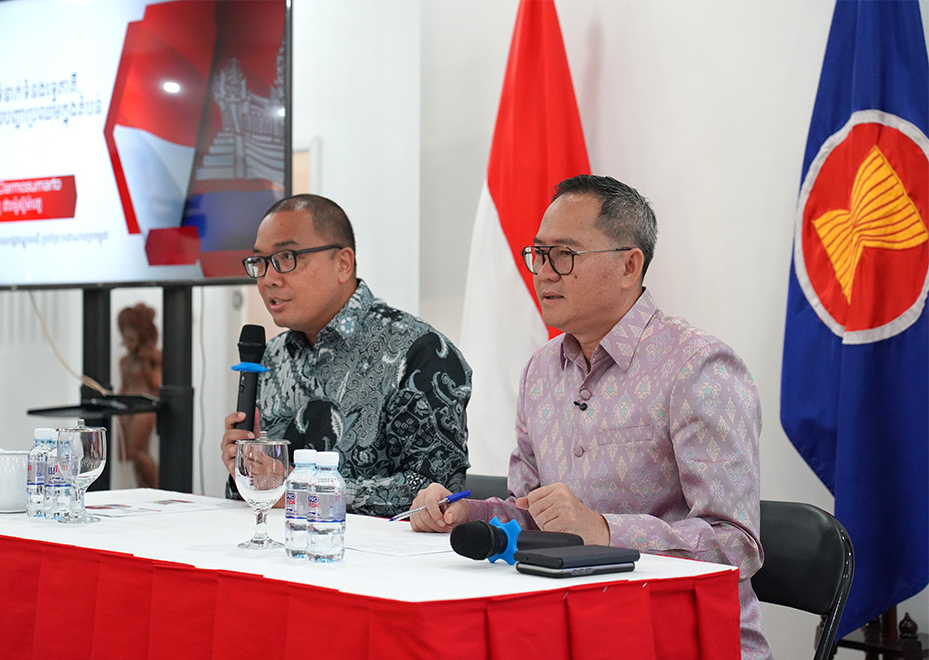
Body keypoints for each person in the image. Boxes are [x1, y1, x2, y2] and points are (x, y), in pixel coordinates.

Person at [409, 175, 772, 659]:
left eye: (565, 255)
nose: (544, 273)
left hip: (678, 636)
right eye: (538, 254)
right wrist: (465, 514)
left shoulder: (698, 366)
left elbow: (736, 545)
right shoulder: (541, 370)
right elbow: (531, 514)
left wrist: (603, 530)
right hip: (569, 625)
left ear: (629, 265)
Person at [220, 194, 472, 518]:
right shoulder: (271, 357)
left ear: (343, 264)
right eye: (260, 262)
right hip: (278, 552)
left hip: (376, 562)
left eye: (286, 257)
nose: (268, 277)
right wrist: (245, 470)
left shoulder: (419, 353)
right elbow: (267, 493)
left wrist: (299, 492)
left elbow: (435, 493)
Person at [117, 302, 161, 489]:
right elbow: (124, 385)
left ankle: (158, 487)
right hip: (126, 406)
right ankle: (142, 488)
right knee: (131, 455)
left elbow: (156, 383)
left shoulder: (154, 357)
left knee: (137, 451)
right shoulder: (124, 361)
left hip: (144, 407)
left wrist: (146, 362)